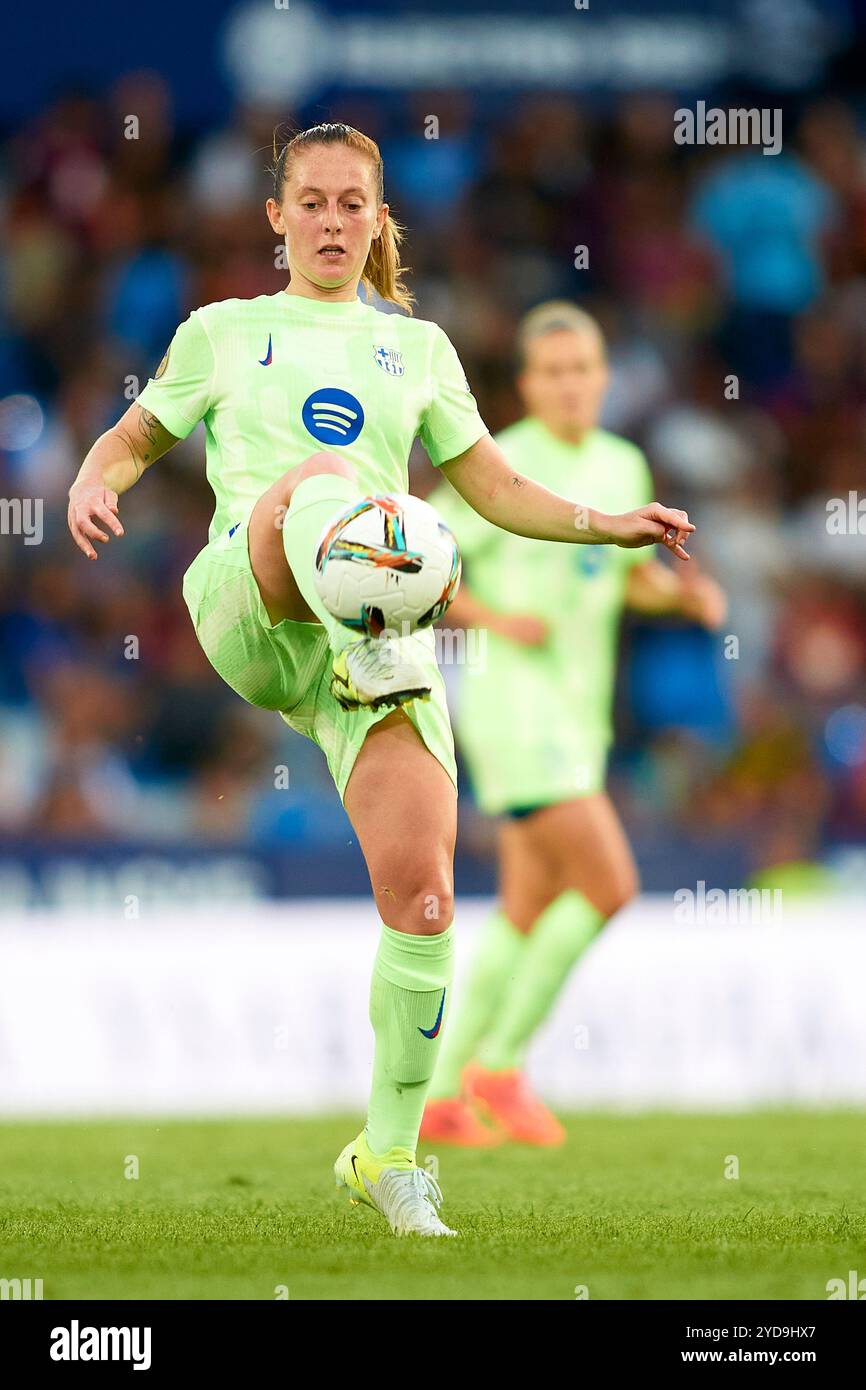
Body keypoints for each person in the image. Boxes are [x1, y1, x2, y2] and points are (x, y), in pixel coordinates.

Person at [67, 125, 694, 1236]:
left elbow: (494, 486)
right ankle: (371, 581)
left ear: (376, 215)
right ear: (275, 216)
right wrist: (89, 480)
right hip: (250, 597)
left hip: (374, 633)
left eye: (351, 204)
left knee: (427, 896)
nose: (330, 223)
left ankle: (389, 1153)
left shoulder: (419, 349)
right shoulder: (223, 332)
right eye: (309, 202)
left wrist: (606, 526)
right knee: (320, 486)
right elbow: (129, 439)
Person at [421, 302, 725, 1147]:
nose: (567, 384)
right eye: (550, 371)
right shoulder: (500, 464)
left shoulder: (622, 464)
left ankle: (444, 1093)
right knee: (609, 885)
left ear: (604, 376)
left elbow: (619, 576)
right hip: (515, 706)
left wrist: (681, 595)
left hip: (580, 711)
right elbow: (420, 561)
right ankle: (501, 1065)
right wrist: (492, 620)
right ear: (526, 384)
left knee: (528, 905)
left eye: (581, 368)